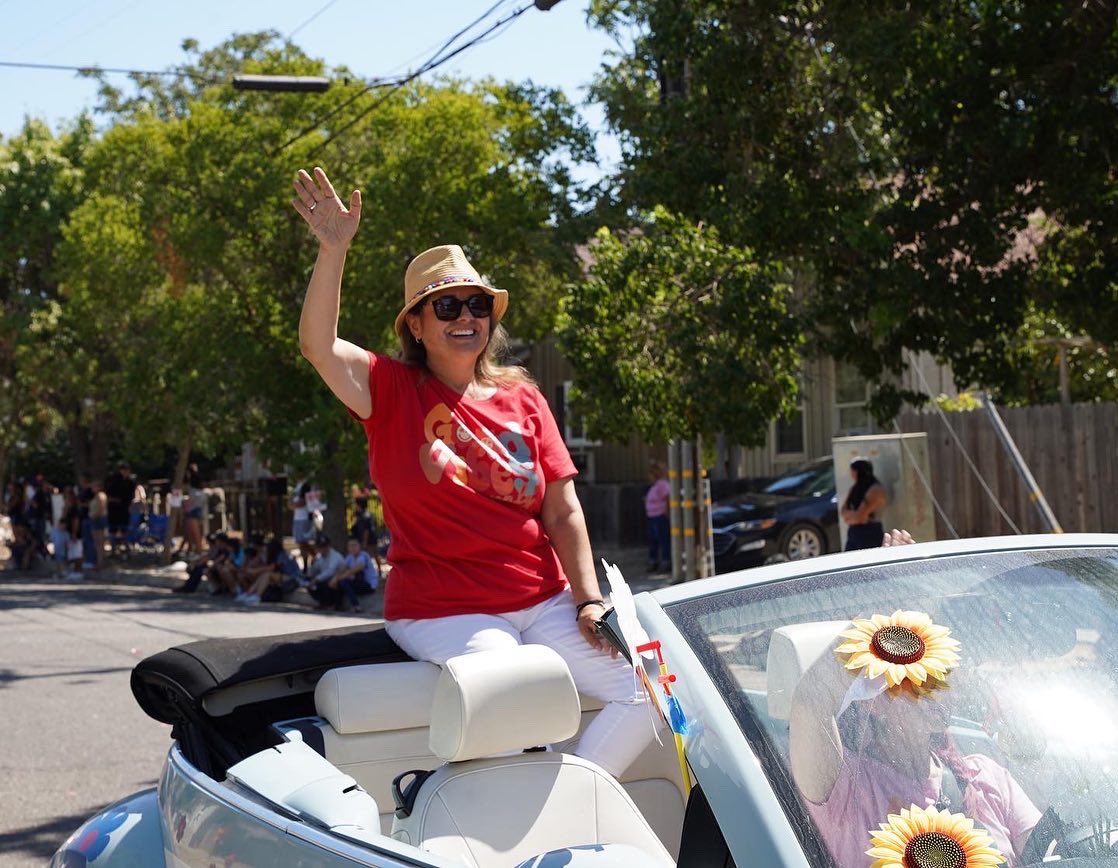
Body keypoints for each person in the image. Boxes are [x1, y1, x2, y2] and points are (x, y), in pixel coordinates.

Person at [292, 166, 651, 778]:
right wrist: (333, 251)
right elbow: (318, 345)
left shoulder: (524, 397)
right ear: (416, 324)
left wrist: (590, 601)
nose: (467, 316)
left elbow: (562, 511)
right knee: (512, 697)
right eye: (447, 305)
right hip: (443, 607)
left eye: (477, 303)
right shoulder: (389, 388)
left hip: (543, 598)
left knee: (646, 692)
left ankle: (573, 813)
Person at [840, 457, 886, 550]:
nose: (851, 474)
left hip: (870, 533)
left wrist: (851, 517)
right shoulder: (854, 488)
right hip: (854, 532)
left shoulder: (875, 489)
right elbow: (843, 511)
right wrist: (852, 517)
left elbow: (860, 516)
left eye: (853, 470)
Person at [644, 460, 671, 574]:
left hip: (659, 516)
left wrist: (667, 512)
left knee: (662, 539)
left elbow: (667, 498)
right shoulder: (654, 486)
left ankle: (665, 562)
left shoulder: (662, 485)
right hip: (652, 516)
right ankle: (654, 561)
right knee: (653, 540)